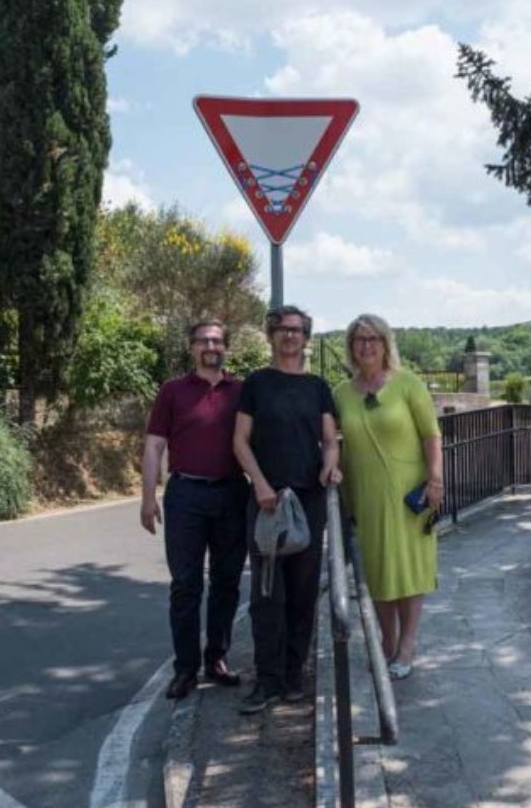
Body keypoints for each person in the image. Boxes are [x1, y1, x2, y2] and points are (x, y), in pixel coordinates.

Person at [233, 305, 341, 714]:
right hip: (265, 502)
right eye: (282, 329)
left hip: (308, 500)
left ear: (305, 337)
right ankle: (268, 680)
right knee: (266, 593)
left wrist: (331, 460)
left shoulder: (317, 386)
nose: (289, 336)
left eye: (296, 330)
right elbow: (240, 441)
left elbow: (329, 439)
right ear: (271, 335)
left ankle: (295, 676)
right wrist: (259, 483)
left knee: (302, 590)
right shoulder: (257, 384)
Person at [141, 319, 248, 700]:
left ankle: (216, 658)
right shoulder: (173, 391)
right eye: (204, 339)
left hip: (233, 495)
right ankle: (185, 669)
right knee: (185, 585)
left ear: (225, 347)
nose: (211, 345)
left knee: (227, 581)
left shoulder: (242, 391)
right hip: (185, 495)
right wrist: (147, 497)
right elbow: (154, 446)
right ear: (192, 347)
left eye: (217, 340)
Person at [333, 314, 443, 679]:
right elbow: (331, 443)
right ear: (351, 347)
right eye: (359, 340)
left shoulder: (408, 384)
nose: (366, 346)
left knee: (409, 568)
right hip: (364, 494)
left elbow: (431, 435)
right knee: (378, 570)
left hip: (408, 493)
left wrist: (436, 480)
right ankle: (387, 640)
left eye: (373, 339)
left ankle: (407, 645)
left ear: (385, 344)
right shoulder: (341, 393)